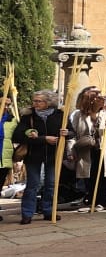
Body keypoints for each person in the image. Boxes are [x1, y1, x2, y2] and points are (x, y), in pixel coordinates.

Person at [13, 90, 65, 224]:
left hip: (53, 155)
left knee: (51, 184)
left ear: (48, 102)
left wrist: (67, 132)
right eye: (34, 101)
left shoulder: (60, 115)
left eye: (38, 101)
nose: (35, 103)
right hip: (33, 155)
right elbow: (17, 136)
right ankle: (27, 213)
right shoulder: (28, 116)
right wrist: (43, 139)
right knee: (33, 184)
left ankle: (48, 211)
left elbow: (71, 132)